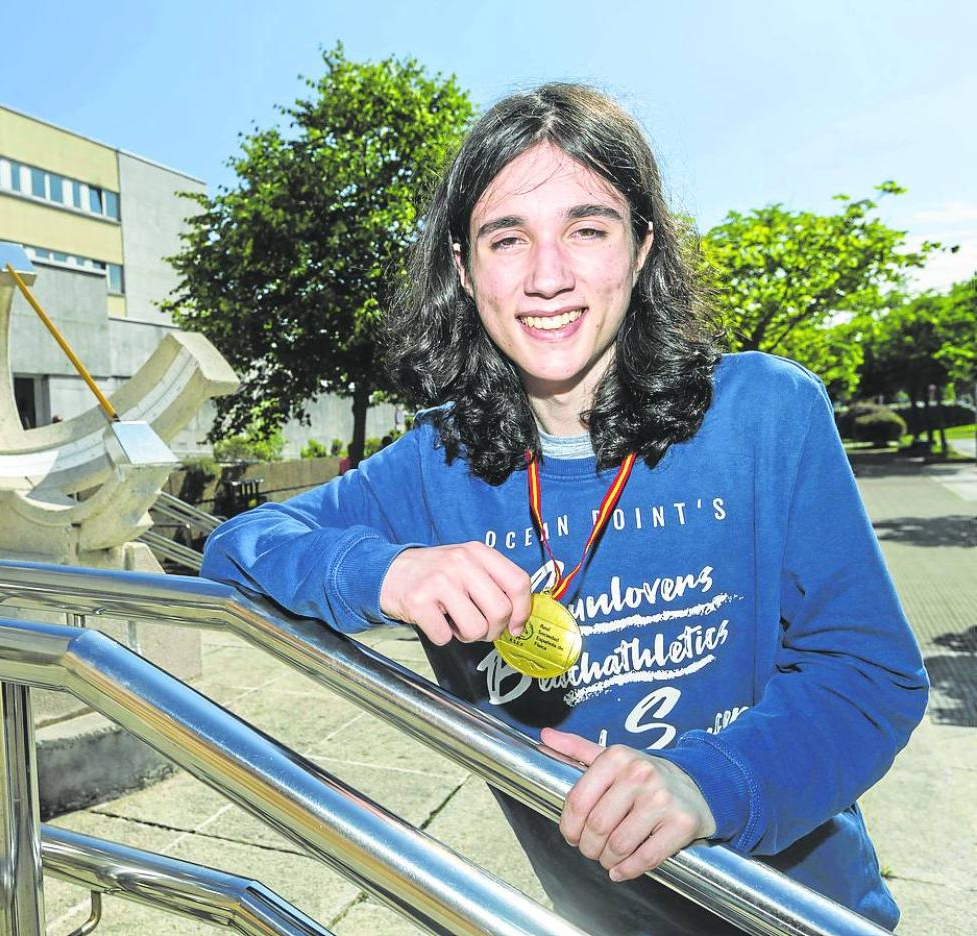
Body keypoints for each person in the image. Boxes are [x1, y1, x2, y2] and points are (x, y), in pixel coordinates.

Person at [201, 83, 927, 934]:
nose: (549, 276)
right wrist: (383, 568)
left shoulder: (765, 413)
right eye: (508, 239)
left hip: (801, 915)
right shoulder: (437, 461)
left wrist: (710, 781)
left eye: (588, 229)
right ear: (466, 271)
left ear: (643, 248)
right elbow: (240, 543)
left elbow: (871, 675)